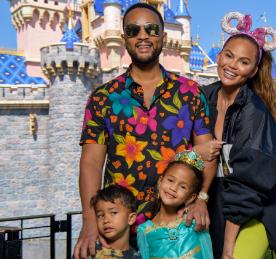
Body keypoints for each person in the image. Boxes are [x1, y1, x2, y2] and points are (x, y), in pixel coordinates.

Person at [75, 3, 215, 258]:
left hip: (175, 230)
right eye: (133, 30)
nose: (143, 36)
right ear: (124, 38)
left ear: (163, 36)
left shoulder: (191, 92)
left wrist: (202, 200)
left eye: (151, 29)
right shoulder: (103, 98)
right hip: (118, 232)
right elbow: (91, 163)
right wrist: (89, 220)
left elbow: (208, 153)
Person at [193, 12, 276, 259]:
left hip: (253, 212)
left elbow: (249, 185)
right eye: (229, 55)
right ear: (219, 56)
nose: (232, 65)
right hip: (213, 202)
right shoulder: (202, 97)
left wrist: (229, 248)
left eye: (243, 62)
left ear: (253, 70)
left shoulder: (253, 112)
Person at [137, 150, 213, 259]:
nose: (173, 188)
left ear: (191, 197)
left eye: (182, 187)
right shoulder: (144, 231)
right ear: (160, 182)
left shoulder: (195, 222)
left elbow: (208, 255)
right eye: (170, 180)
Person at [90, 185, 141, 259]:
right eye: (100, 215)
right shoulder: (89, 251)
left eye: (113, 213)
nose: (106, 220)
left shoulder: (136, 257)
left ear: (131, 218)